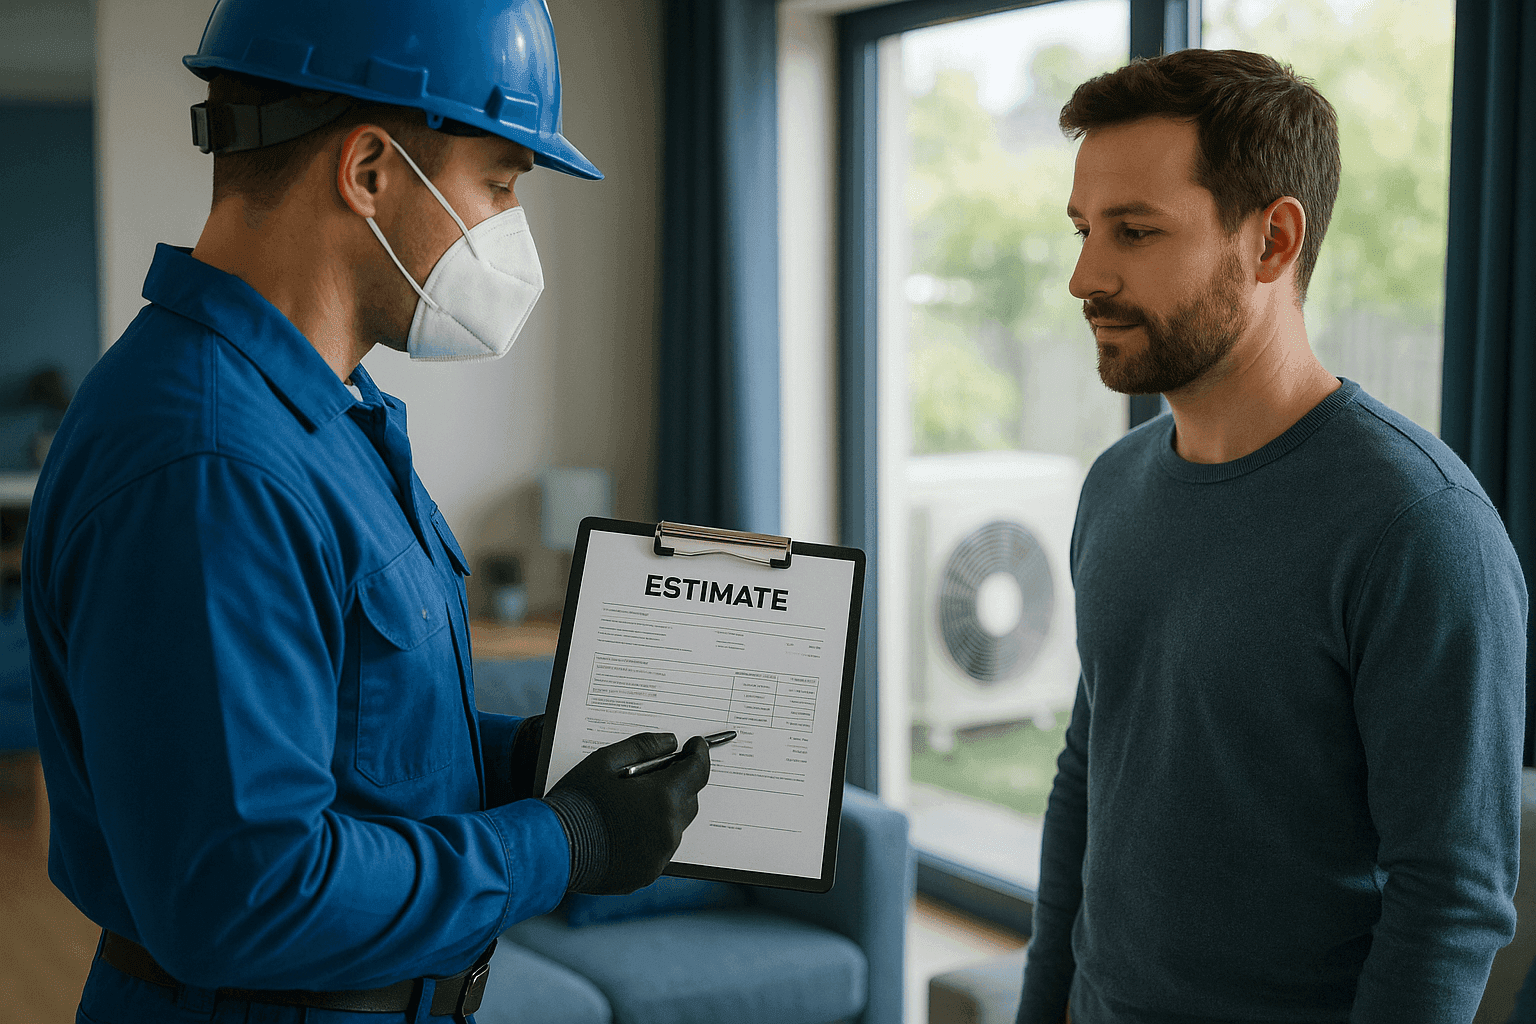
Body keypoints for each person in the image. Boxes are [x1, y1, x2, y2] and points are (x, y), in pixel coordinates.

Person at [22, 2, 711, 1021]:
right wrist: (564, 841)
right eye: (499, 184)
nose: (509, 230)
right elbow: (245, 892)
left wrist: (518, 760)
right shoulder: (208, 461)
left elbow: (343, 725)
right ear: (372, 171)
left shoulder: (327, 413)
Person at [1017, 49, 1527, 1024]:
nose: (1085, 276)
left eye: (1135, 231)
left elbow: (1450, 903)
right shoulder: (1114, 485)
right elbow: (1090, 776)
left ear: (1273, 241)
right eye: (1084, 230)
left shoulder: (1421, 529)